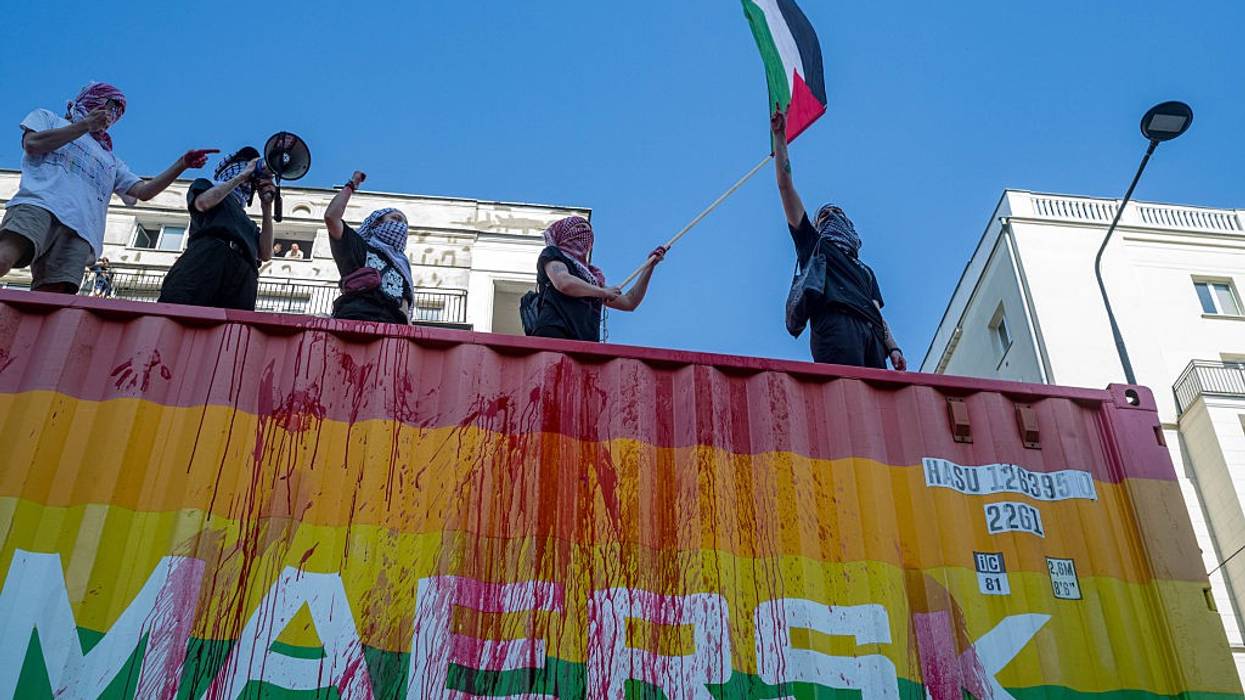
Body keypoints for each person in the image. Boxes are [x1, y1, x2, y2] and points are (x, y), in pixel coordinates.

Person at [0, 82, 214, 293]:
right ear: (94, 99)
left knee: (53, 297)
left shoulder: (110, 159)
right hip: (38, 205)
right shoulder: (48, 118)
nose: (113, 115)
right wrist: (84, 126)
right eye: (110, 106)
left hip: (81, 229)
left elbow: (144, 192)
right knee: (4, 259)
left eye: (118, 112)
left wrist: (182, 164)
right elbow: (33, 144)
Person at [771, 109, 906, 370]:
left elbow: (876, 311)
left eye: (837, 213)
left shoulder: (865, 271)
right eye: (824, 216)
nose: (832, 216)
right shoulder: (814, 246)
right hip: (836, 326)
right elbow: (785, 186)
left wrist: (894, 348)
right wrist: (780, 138)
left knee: (877, 403)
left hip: (872, 335)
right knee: (845, 396)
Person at [157, 148, 276, 310]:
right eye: (244, 165)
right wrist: (240, 177)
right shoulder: (205, 186)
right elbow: (203, 203)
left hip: (241, 275)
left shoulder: (248, 223)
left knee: (232, 330)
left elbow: (266, 253)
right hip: (207, 260)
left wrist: (266, 206)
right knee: (180, 315)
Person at [528, 216, 665, 341]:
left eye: (588, 230)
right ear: (562, 232)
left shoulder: (591, 278)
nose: (584, 232)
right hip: (555, 333)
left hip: (584, 343)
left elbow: (630, 302)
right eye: (579, 227)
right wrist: (603, 293)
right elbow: (563, 283)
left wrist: (649, 266)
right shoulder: (553, 254)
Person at [323, 171, 413, 324]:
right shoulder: (359, 246)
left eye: (404, 223)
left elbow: (404, 312)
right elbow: (331, 218)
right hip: (354, 320)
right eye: (395, 219)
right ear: (377, 223)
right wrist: (351, 185)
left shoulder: (402, 268)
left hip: (389, 332)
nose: (400, 226)